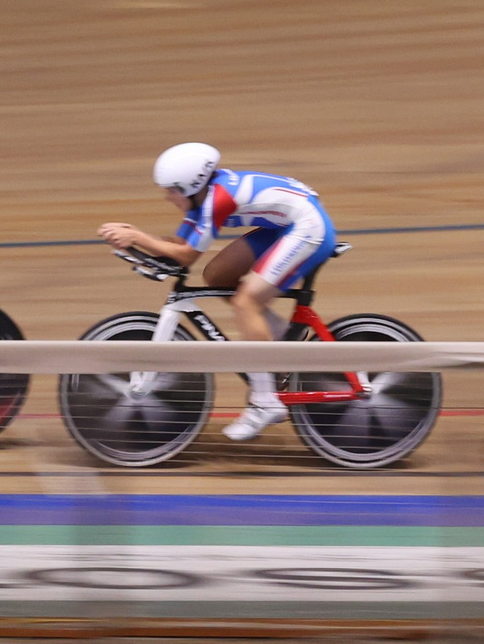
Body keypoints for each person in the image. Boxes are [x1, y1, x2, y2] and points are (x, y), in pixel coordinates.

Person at [96, 143, 338, 444]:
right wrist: (136, 242)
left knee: (245, 300)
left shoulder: (216, 201)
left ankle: (265, 401)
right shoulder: (201, 200)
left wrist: (138, 236)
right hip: (284, 225)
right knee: (217, 276)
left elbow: (185, 256)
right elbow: (177, 244)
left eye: (171, 190)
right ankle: (276, 340)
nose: (166, 196)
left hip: (308, 229)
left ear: (190, 186)